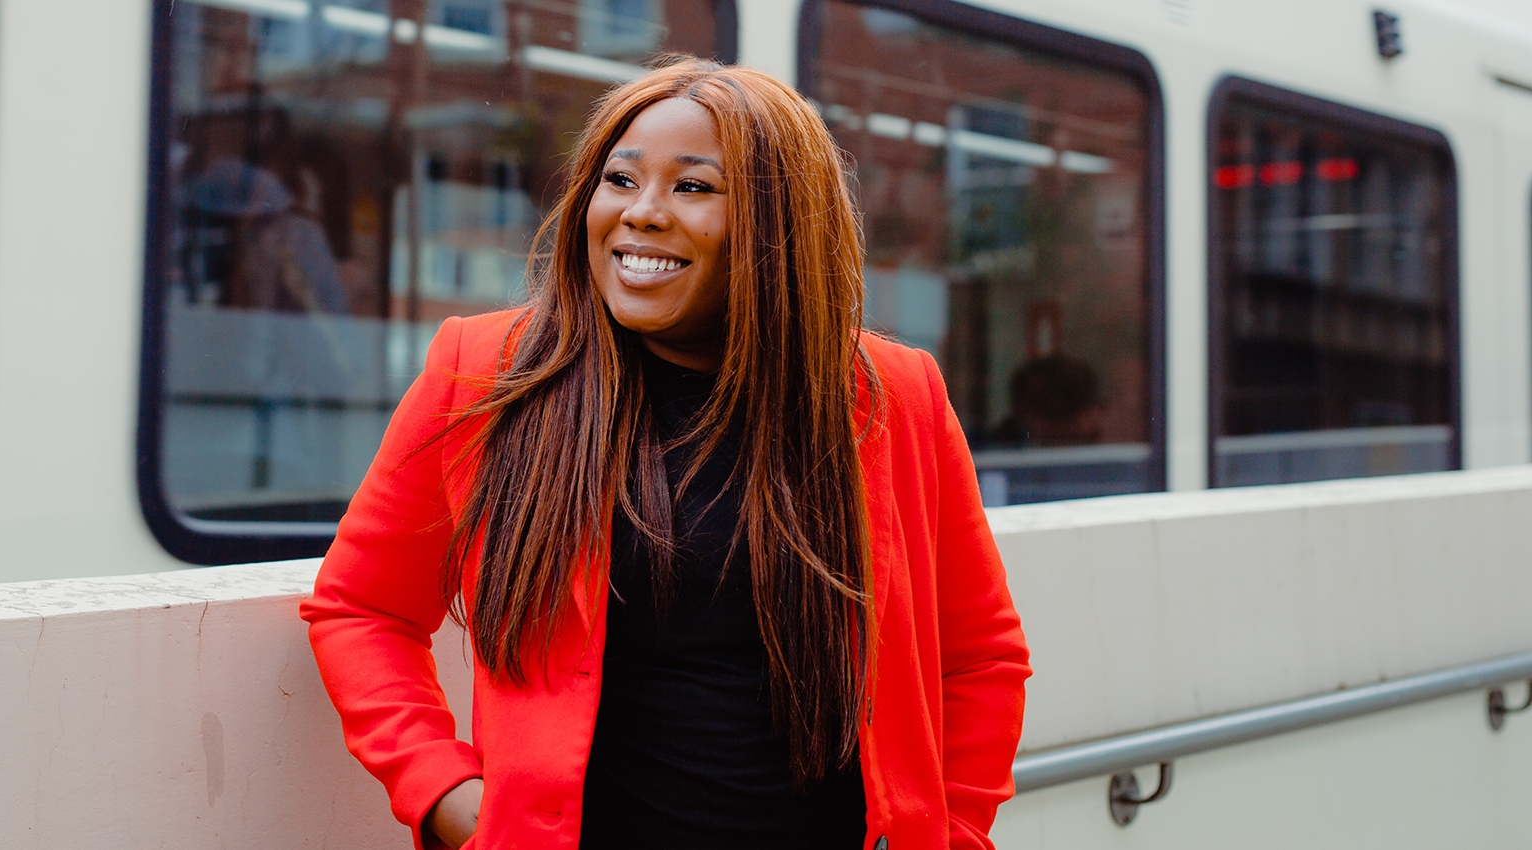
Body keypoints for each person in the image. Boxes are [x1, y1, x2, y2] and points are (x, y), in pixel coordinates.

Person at [300, 57, 1030, 850]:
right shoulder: (484, 371)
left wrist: (952, 829)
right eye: (620, 180)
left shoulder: (893, 394)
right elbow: (362, 609)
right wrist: (444, 792)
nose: (640, 214)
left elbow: (981, 657)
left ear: (777, 224)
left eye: (692, 187)